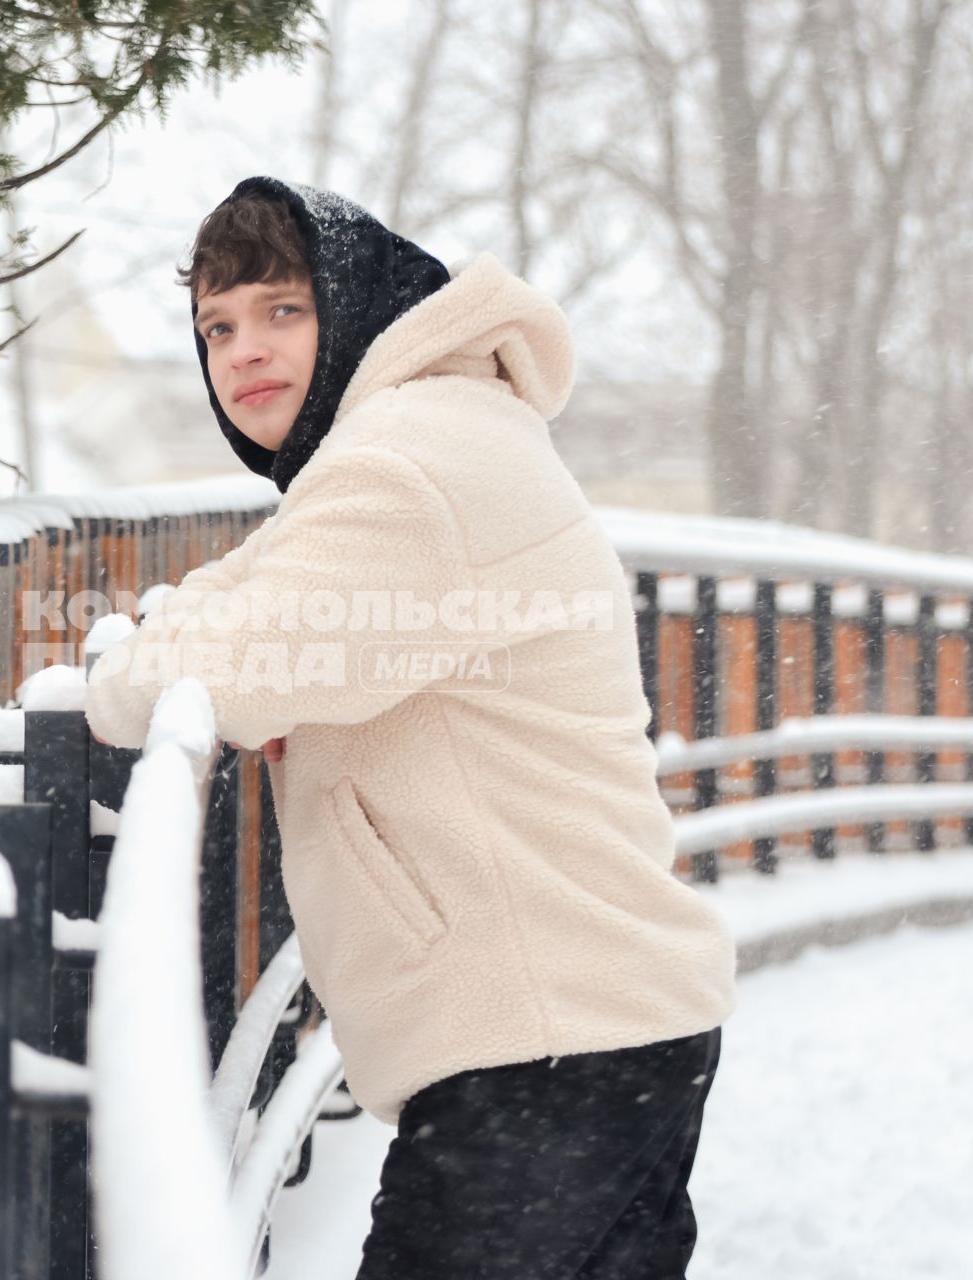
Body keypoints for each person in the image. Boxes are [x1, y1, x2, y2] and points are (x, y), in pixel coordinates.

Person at [82, 175, 737, 1279]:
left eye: (282, 310)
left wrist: (126, 678)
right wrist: (245, 658)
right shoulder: (414, 438)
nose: (243, 352)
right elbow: (236, 605)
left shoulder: (405, 466)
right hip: (597, 1031)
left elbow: (218, 664)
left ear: (353, 302)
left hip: (545, 1053)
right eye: (217, 326)